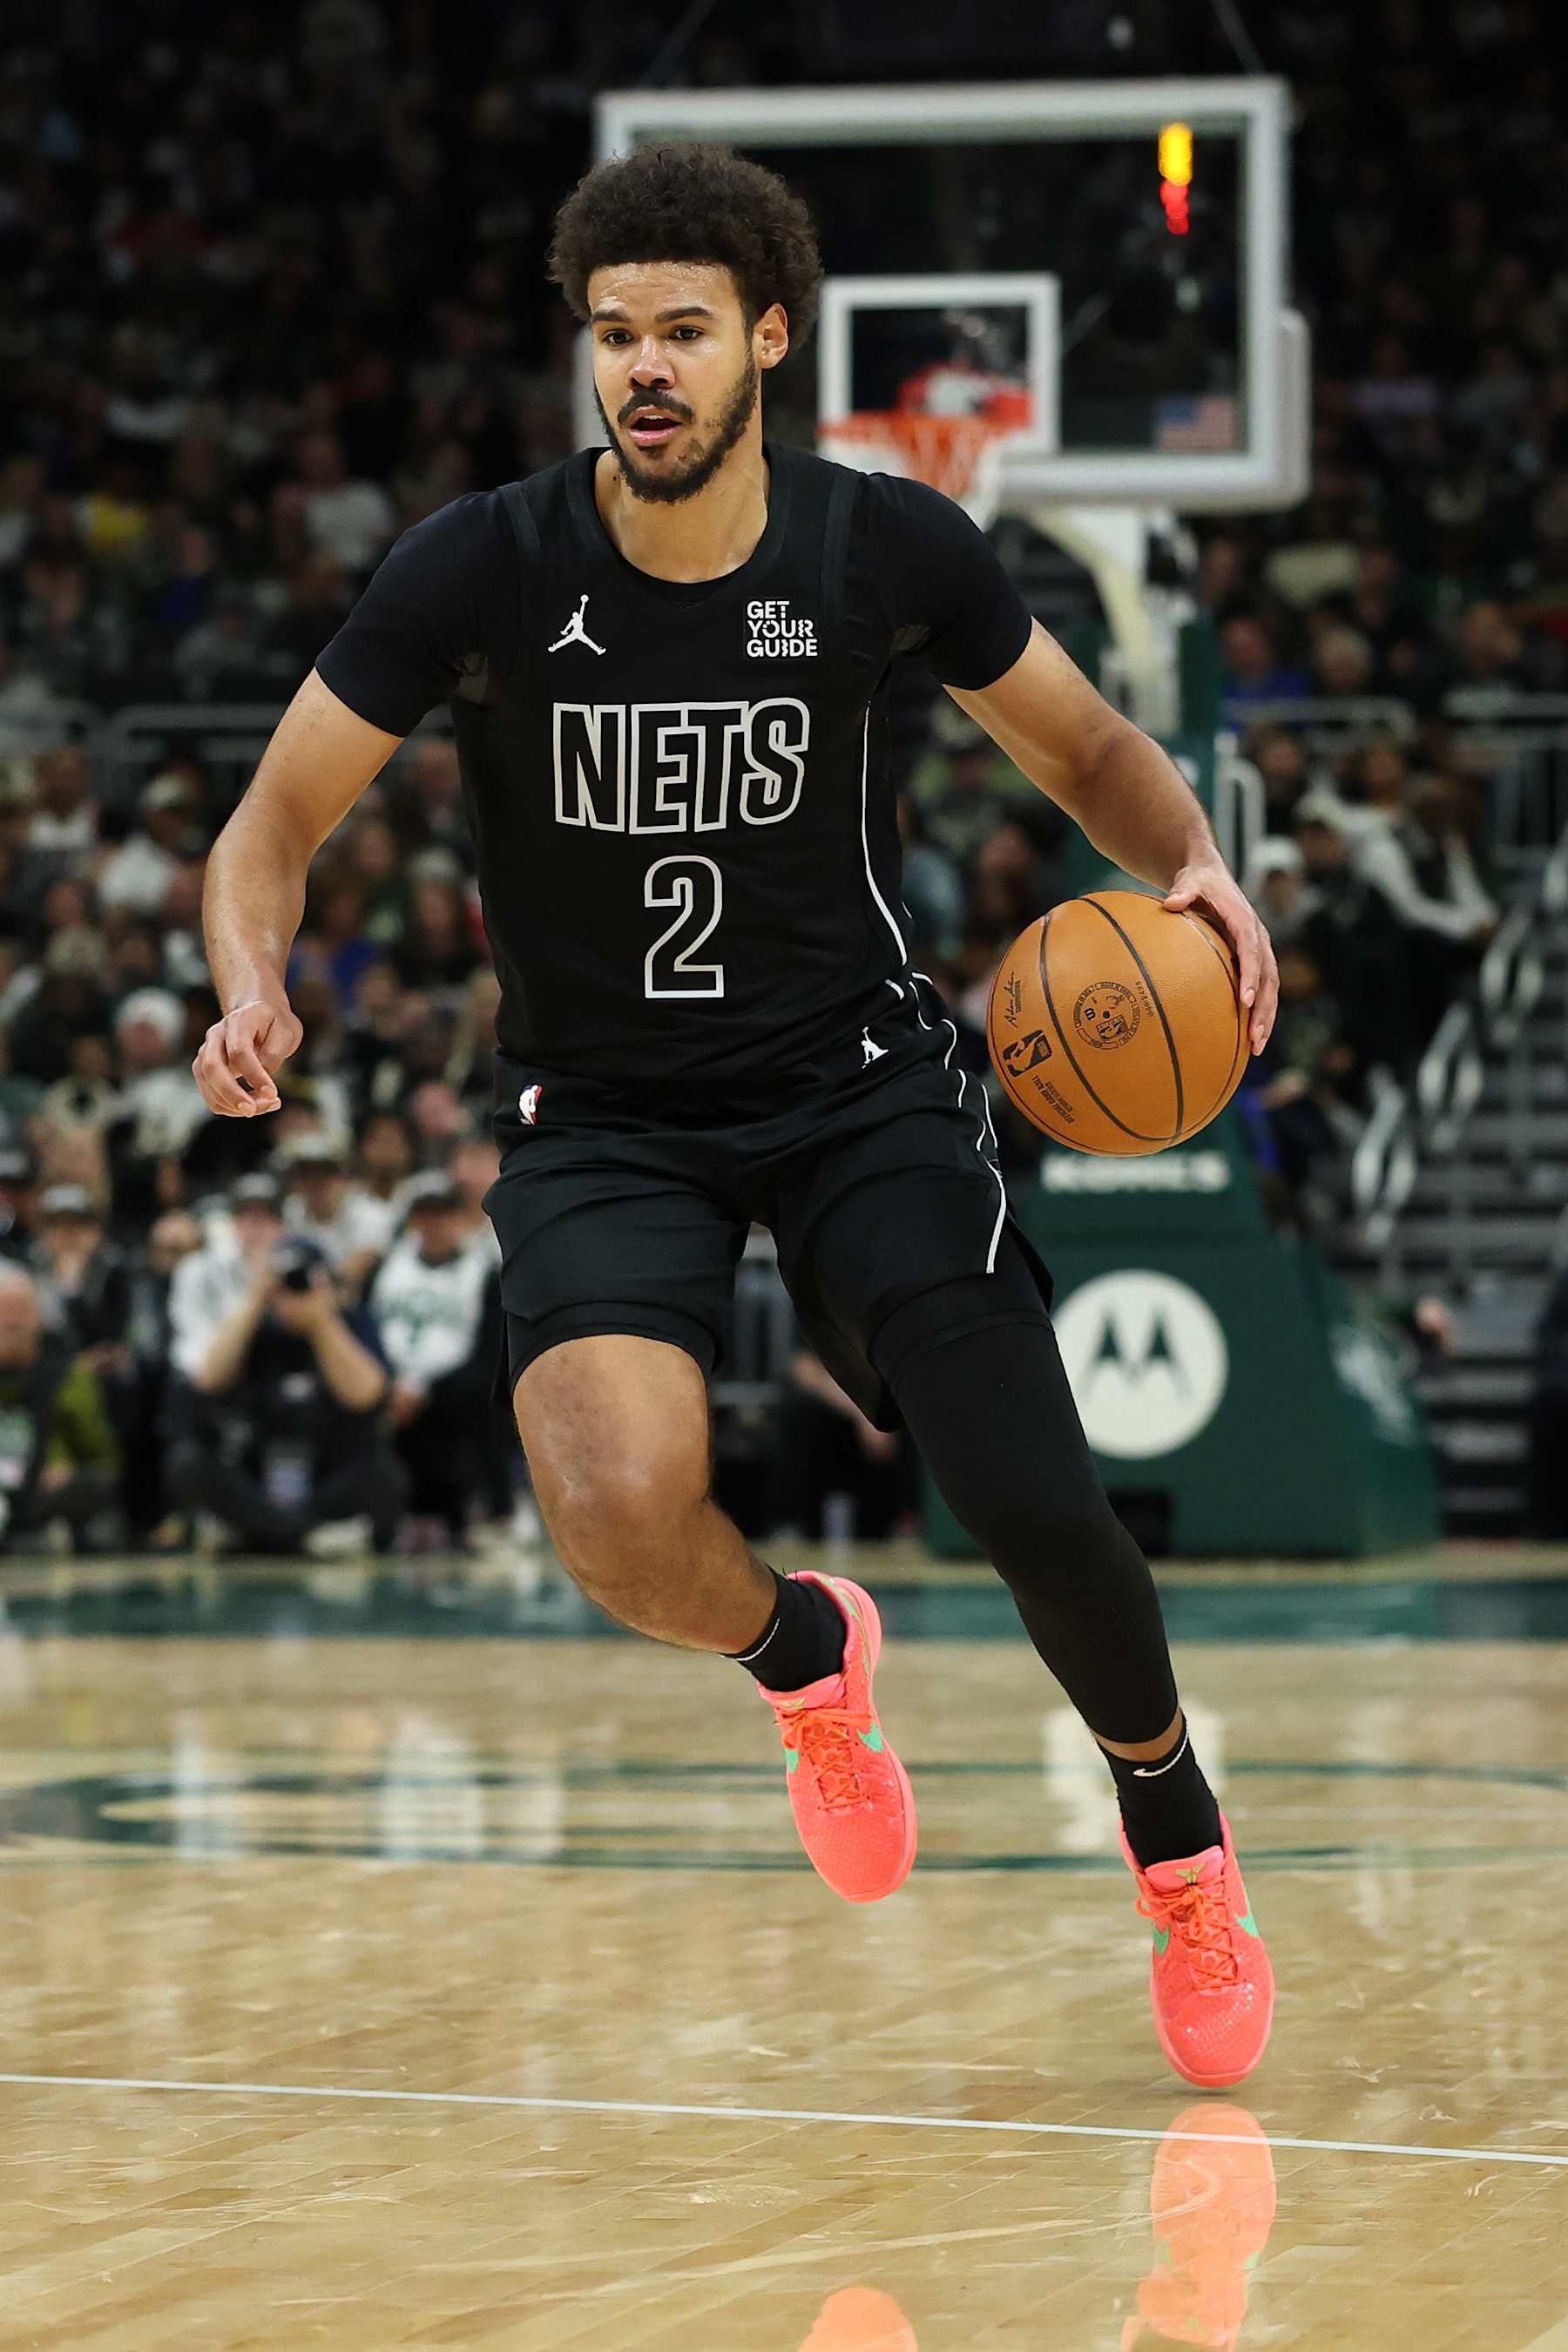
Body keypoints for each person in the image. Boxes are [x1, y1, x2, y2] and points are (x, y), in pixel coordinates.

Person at [193, 145, 1281, 2091]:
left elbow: (1094, 750)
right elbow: (271, 825)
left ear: (768, 338)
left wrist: (1195, 862)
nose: (645, 369)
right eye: (613, 336)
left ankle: (1180, 1839)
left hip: (855, 1084)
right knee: (612, 1513)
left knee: (1032, 1493)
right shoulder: (484, 566)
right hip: (604, 1109)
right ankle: (808, 1665)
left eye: (683, 329)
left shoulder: (886, 547)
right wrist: (254, 974)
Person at [166, 1233, 403, 1559]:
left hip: (326, 1477)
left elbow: (367, 1395)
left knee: (387, 1475)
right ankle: (305, 1534)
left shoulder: (353, 1322)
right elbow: (207, 1379)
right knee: (187, 1462)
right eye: (281, 1285)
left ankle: (259, 1534)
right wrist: (254, 1300)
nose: (290, 1295)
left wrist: (321, 1321)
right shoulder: (252, 1327)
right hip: (259, 1478)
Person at [368, 1171, 501, 1546]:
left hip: (454, 1385)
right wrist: (395, 1381)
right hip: (388, 1380)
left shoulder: (484, 1272)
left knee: (482, 1397)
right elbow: (369, 1330)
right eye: (425, 1214)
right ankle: (366, 1515)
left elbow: (487, 1350)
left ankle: (496, 1512)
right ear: (413, 1220)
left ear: (460, 1218)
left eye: (443, 1213)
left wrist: (424, 1386)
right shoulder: (386, 1268)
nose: (434, 1224)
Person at [0, 1260, 121, 1552]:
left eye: (20, 1310)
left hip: (43, 1494)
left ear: (38, 1316)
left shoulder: (69, 1376)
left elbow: (105, 1462)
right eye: (3, 1311)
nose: (11, 1322)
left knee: (93, 1487)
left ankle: (32, 1535)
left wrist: (67, 1468)